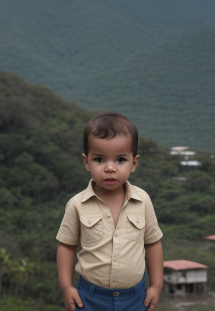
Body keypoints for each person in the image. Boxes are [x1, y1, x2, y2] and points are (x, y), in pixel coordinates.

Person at [56, 112, 163, 311]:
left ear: (134, 163)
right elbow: (66, 246)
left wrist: (156, 286)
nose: (110, 168)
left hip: (135, 298)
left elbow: (153, 243)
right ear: (86, 162)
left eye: (121, 159)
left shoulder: (143, 201)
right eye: (100, 160)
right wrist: (66, 286)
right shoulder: (77, 204)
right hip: (89, 298)